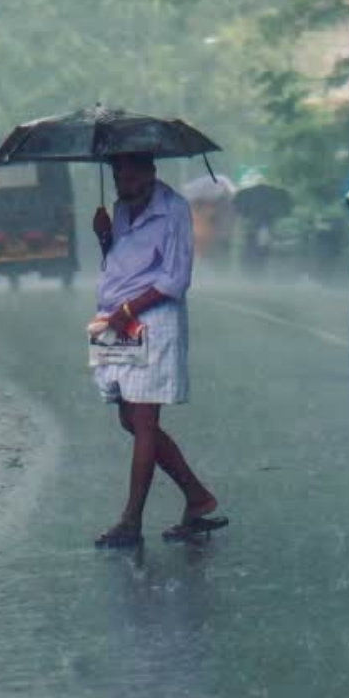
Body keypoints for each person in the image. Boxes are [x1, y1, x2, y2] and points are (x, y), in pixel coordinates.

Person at [88, 153, 220, 548]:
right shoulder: (121, 209)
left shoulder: (174, 209)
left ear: (149, 172)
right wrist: (105, 238)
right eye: (116, 173)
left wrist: (127, 311)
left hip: (152, 320)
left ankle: (131, 520)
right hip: (113, 318)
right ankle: (197, 497)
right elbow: (122, 266)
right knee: (129, 419)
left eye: (128, 172)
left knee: (144, 421)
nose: (121, 180)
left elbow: (175, 278)